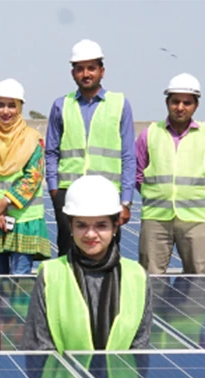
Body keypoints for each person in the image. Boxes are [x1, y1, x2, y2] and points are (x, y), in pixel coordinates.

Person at [24, 176, 152, 352]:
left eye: (101, 225)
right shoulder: (50, 274)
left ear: (115, 227)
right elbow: (38, 346)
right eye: (81, 225)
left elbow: (140, 347)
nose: (90, 234)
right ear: (71, 226)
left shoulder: (137, 276)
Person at [46, 39, 137, 256]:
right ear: (73, 73)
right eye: (80, 69)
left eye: (91, 68)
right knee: (68, 257)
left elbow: (128, 156)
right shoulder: (61, 105)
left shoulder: (120, 104)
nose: (86, 74)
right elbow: (51, 151)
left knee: (106, 256)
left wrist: (126, 201)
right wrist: (54, 190)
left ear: (101, 71)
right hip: (69, 193)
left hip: (107, 194)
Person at [136, 73, 205, 274]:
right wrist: (161, 195)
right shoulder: (149, 134)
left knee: (199, 280)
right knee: (150, 279)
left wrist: (191, 198)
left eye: (187, 102)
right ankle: (153, 308)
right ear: (167, 102)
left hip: (197, 220)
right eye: (175, 101)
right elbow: (139, 175)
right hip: (156, 219)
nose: (180, 107)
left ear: (196, 105)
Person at [0, 79, 51, 274]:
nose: (6, 111)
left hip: (22, 220)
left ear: (19, 108)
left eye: (11, 106)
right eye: (0, 105)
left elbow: (33, 177)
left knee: (19, 283)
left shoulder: (32, 139)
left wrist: (4, 203)